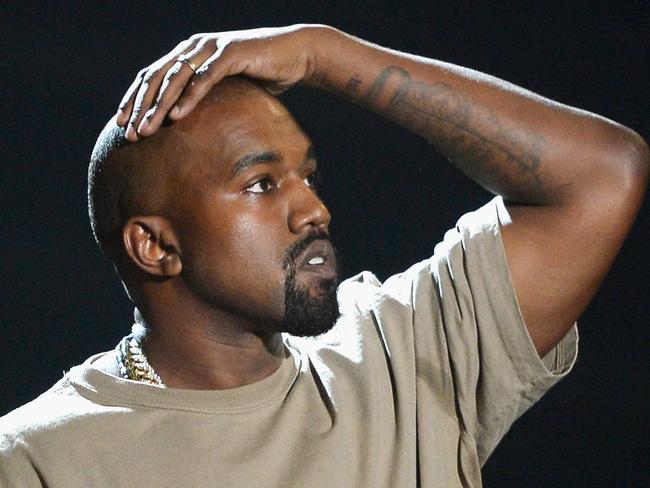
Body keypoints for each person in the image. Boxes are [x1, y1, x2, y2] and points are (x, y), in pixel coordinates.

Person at [0, 24, 647, 487]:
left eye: (307, 175)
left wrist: (325, 53)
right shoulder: (38, 458)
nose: (313, 210)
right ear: (156, 244)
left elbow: (601, 177)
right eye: (262, 184)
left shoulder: (399, 350)